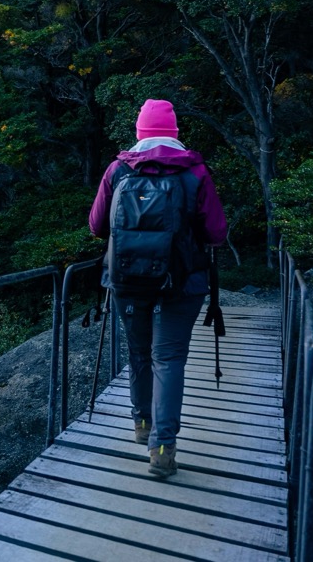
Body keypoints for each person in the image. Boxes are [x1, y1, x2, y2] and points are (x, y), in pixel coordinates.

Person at [87, 99, 227, 478]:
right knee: (169, 358)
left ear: (139, 133)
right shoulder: (194, 172)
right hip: (183, 282)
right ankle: (162, 448)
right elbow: (216, 233)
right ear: (175, 134)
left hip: (129, 281)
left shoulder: (118, 170)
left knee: (139, 354)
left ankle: (141, 424)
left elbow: (97, 226)